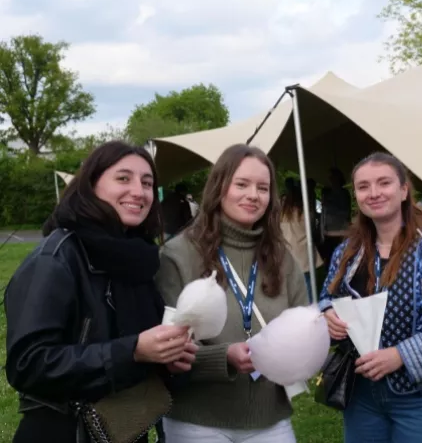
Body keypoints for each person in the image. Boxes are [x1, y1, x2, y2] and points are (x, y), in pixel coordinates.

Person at [4, 141, 197, 443]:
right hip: (63, 433)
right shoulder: (55, 259)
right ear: (91, 185)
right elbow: (28, 365)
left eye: (147, 183)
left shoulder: (139, 258)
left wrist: (165, 360)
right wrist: (132, 350)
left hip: (124, 429)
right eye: (123, 178)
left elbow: (136, 350)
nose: (138, 191)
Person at [155, 143, 309, 443]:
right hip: (197, 421)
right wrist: (223, 356)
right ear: (219, 187)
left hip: (270, 419)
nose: (253, 195)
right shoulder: (178, 254)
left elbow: (300, 324)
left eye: (263, 187)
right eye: (242, 184)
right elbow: (164, 347)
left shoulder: (282, 256)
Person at [319, 152, 422, 443]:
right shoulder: (347, 252)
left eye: (384, 183)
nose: (373, 193)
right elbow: (327, 297)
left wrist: (402, 355)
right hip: (362, 393)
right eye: (363, 187)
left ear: (403, 190)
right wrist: (327, 315)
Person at [280, 178, 324, 302]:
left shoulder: (280, 214)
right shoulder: (304, 213)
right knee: (309, 289)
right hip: (305, 255)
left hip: (288, 254)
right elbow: (312, 229)